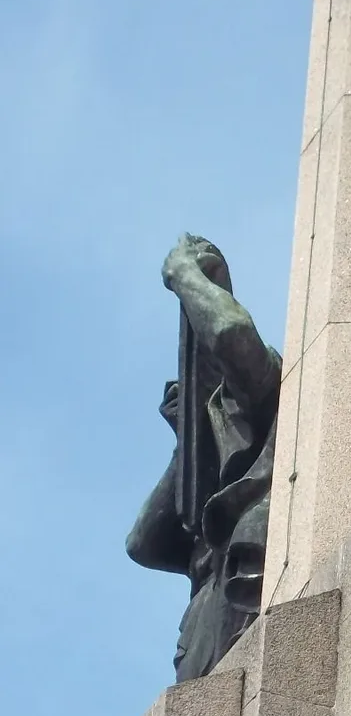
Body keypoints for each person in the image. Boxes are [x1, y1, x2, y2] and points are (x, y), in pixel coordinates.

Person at [127, 234, 280, 681]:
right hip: (205, 619)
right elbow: (143, 543)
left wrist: (185, 277)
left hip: (242, 595)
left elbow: (232, 336)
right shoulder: (215, 459)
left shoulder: (267, 388)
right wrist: (186, 444)